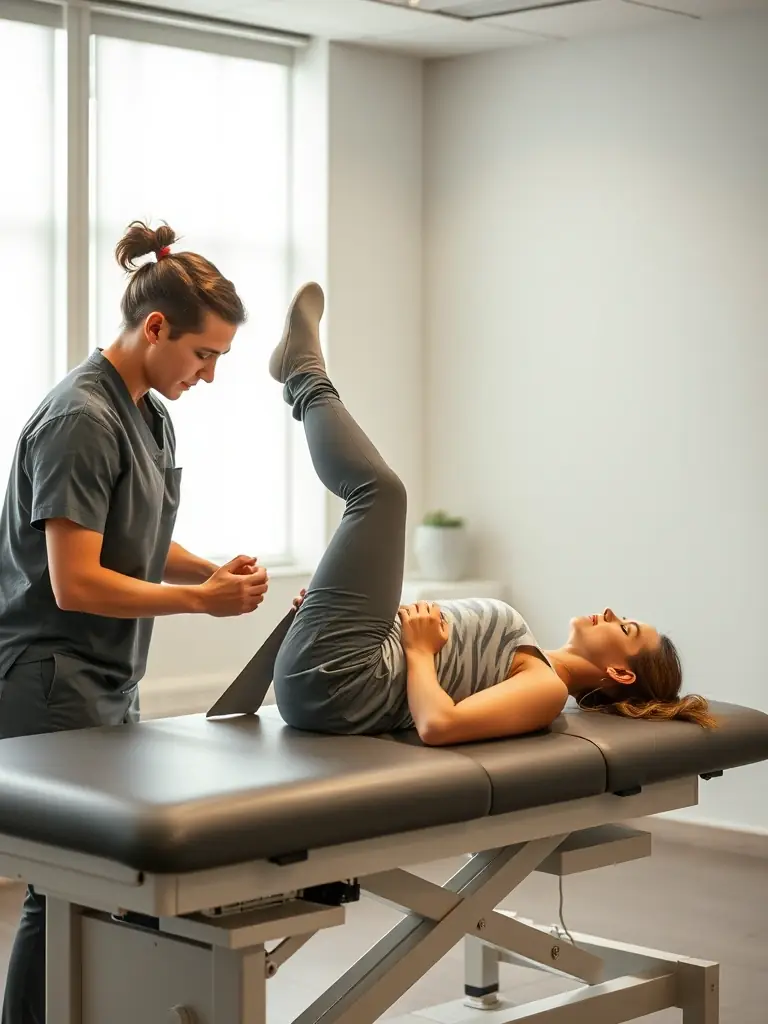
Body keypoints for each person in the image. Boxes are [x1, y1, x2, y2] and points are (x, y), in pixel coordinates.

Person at [0, 220, 270, 1024]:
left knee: (94, 895)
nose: (211, 375)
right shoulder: (80, 417)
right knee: (63, 892)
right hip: (48, 682)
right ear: (156, 328)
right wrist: (199, 602)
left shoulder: (148, 412)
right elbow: (76, 580)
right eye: (204, 355)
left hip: (106, 680)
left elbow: (137, 537)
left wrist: (207, 571)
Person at [268, 282, 716, 744]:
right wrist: (341, 605)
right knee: (381, 494)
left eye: (625, 627)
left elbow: (439, 725)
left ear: (621, 673)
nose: (608, 611)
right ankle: (303, 373)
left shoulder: (545, 687)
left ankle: (303, 372)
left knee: (381, 494)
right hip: (348, 656)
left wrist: (421, 653)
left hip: (344, 683)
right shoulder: (529, 652)